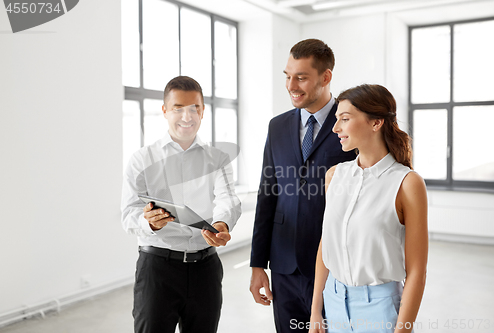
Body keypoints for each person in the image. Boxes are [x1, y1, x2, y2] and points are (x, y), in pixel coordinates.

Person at [249, 39, 357, 333]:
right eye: (287, 75)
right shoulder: (277, 126)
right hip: (283, 264)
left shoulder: (350, 124)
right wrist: (258, 264)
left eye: (301, 77)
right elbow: (267, 194)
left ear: (325, 77)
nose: (291, 85)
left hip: (334, 266)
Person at [121, 76, 241, 333]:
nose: (187, 116)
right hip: (157, 270)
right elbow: (129, 213)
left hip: (205, 269)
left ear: (202, 111)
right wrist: (148, 222)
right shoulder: (142, 160)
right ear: (165, 111)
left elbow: (228, 198)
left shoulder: (217, 158)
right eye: (178, 108)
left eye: (194, 108)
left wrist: (222, 223)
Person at [309, 84, 428, 333]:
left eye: (345, 119)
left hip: (380, 309)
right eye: (336, 119)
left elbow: (416, 270)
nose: (335, 128)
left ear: (376, 123)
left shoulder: (406, 182)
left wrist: (402, 330)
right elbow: (326, 245)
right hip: (333, 300)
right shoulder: (334, 176)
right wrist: (315, 311)